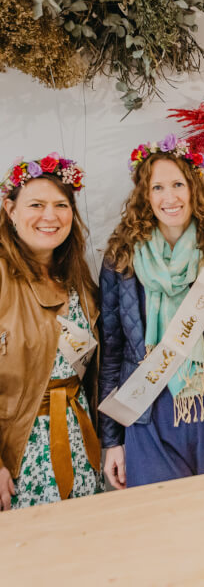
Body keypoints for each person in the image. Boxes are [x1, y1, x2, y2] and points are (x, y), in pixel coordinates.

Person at [99, 134, 204, 489]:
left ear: (193, 189)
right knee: (162, 526)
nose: (170, 197)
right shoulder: (121, 262)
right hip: (149, 413)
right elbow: (111, 354)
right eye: (158, 187)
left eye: (178, 184)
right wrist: (111, 441)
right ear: (144, 196)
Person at [0, 153, 102, 510]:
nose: (50, 216)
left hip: (79, 435)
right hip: (22, 449)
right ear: (10, 209)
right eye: (36, 204)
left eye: (61, 204)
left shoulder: (76, 278)